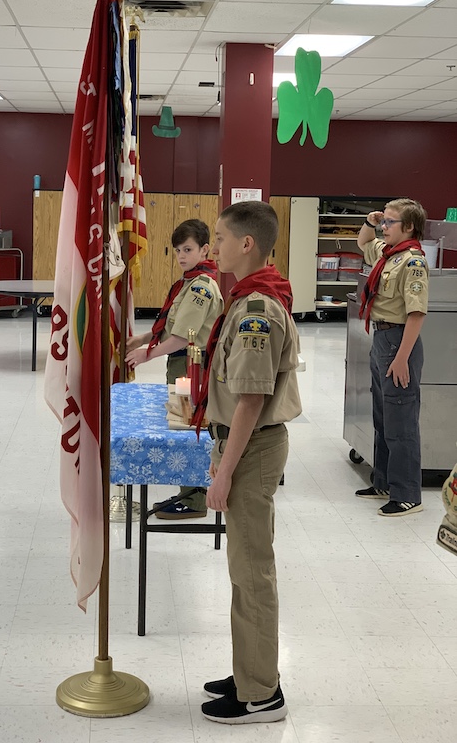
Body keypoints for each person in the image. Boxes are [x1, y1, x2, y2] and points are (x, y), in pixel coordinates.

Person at [191, 200, 301, 724]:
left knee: (252, 572)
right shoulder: (246, 296)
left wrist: (226, 471)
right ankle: (249, 671)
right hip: (243, 444)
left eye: (219, 237)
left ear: (247, 243)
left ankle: (261, 694)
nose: (214, 246)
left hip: (252, 449)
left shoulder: (257, 308)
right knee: (243, 568)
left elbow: (251, 400)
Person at [125, 218, 223, 519]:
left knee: (188, 427)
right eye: (178, 250)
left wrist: (146, 354)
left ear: (204, 249)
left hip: (191, 365)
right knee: (184, 422)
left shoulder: (201, 287)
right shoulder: (188, 282)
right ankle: (189, 492)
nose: (181, 255)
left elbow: (182, 338)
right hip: (182, 362)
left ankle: (194, 499)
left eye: (188, 249)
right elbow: (172, 326)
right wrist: (144, 338)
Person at [355, 198, 428, 517]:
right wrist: (370, 222)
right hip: (382, 338)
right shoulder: (389, 254)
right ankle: (383, 482)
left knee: (401, 420)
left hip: (399, 341)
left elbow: (416, 313)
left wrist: (402, 358)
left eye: (390, 222)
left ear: (408, 227)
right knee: (383, 417)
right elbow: (363, 242)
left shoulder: (412, 262)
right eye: (383, 221)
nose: (383, 227)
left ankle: (407, 493)